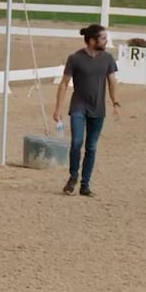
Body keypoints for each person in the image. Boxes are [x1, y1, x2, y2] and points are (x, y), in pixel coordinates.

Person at [51, 23, 121, 197]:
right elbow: (64, 83)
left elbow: (112, 82)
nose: (106, 41)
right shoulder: (75, 58)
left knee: (91, 147)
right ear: (92, 40)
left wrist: (115, 102)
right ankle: (73, 176)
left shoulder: (108, 59)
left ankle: (85, 184)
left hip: (98, 109)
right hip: (78, 106)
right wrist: (58, 108)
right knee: (76, 142)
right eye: (103, 38)